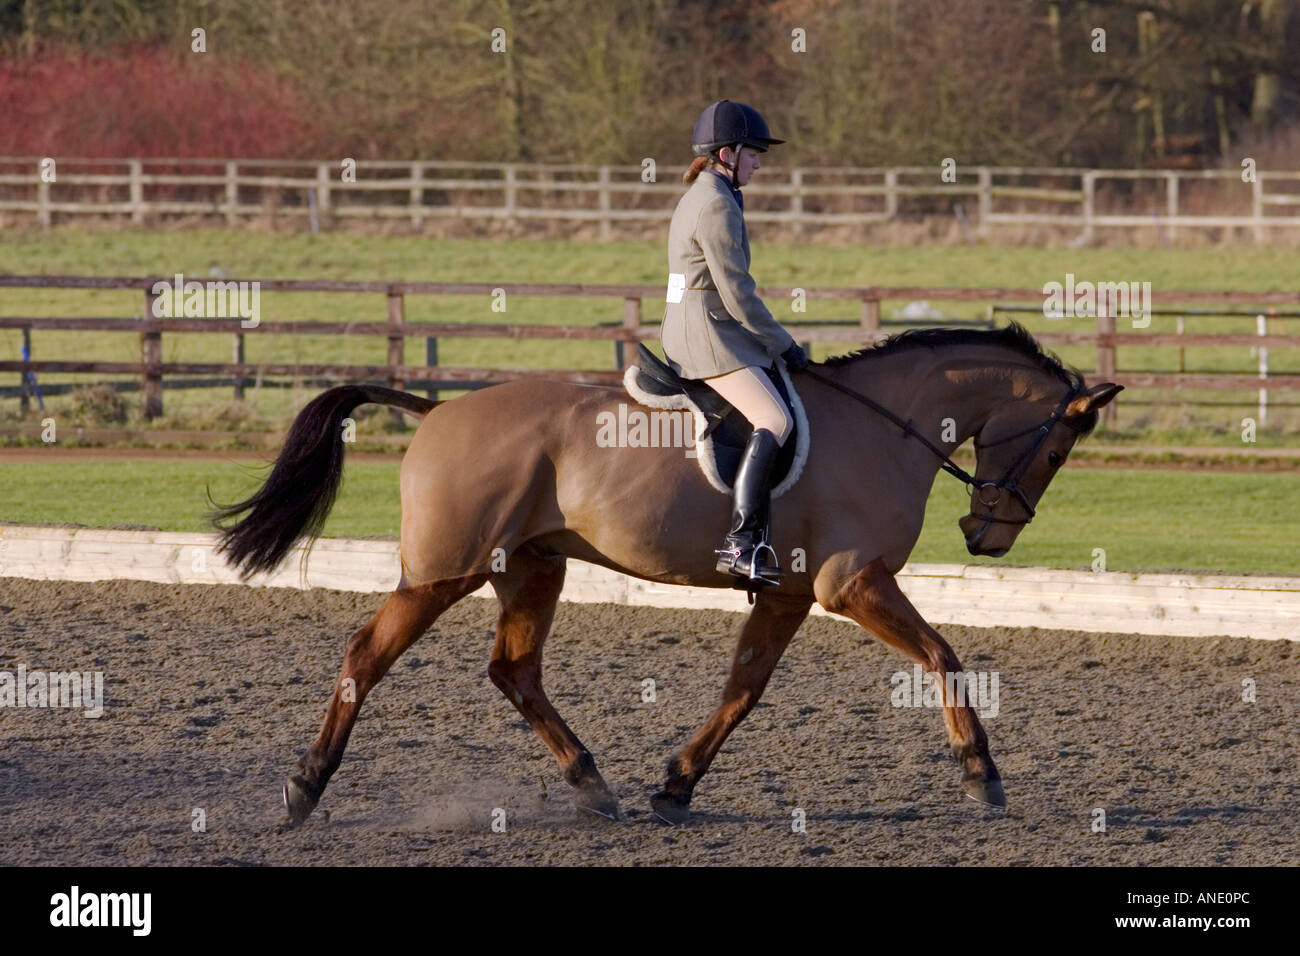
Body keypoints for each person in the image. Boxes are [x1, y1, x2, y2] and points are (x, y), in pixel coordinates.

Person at [660, 99, 810, 588]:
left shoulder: (701, 194)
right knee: (776, 418)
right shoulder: (717, 204)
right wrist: (782, 342)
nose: (759, 163)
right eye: (754, 154)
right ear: (727, 152)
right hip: (708, 337)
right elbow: (738, 294)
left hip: (695, 324)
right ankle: (743, 544)